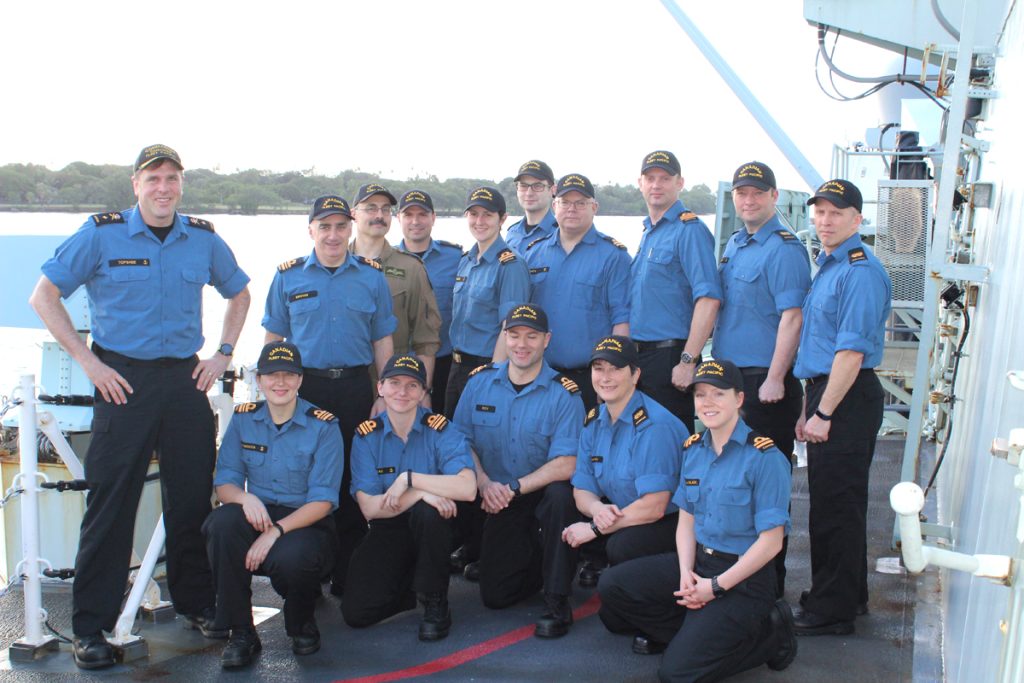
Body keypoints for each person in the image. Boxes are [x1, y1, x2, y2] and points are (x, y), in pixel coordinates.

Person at [29, 144, 251, 670]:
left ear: (181, 184)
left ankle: (196, 603)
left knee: (192, 499)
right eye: (153, 178)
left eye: (172, 178)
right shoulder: (101, 234)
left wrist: (222, 354)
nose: (163, 188)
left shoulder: (201, 238)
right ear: (136, 184)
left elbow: (238, 294)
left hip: (184, 379)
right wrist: (88, 364)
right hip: (119, 382)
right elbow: (44, 296)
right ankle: (90, 628)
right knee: (111, 504)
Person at [597, 360, 797, 682]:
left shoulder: (765, 458)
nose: (707, 402)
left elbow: (772, 542)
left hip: (744, 579)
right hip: (701, 564)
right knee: (613, 588)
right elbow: (686, 521)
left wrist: (715, 587)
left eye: (718, 394)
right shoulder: (693, 450)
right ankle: (694, 636)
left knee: (676, 673)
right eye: (701, 395)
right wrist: (685, 574)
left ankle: (769, 637)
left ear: (739, 399)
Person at [262, 194, 397, 595]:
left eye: (341, 226)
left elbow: (383, 341)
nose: (334, 235)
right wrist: (273, 395)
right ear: (311, 231)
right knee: (307, 479)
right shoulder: (288, 277)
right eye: (325, 226)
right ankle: (310, 566)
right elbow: (273, 341)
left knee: (354, 479)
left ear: (350, 228)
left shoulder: (372, 277)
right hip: (307, 391)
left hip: (355, 388)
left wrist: (384, 394)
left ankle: (347, 570)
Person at [203, 342, 342, 668]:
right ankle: (241, 632)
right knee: (221, 524)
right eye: (271, 376)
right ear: (260, 380)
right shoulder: (243, 419)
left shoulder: (324, 426)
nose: (280, 383)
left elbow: (323, 501)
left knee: (293, 556)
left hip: (305, 520)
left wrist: (275, 532)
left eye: (288, 375)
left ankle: (301, 623)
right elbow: (225, 484)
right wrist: (245, 497)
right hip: (259, 510)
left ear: (300, 380)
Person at [793, 179, 892, 635]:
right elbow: (819, 346)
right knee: (837, 504)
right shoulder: (829, 266)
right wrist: (808, 406)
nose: (825, 221)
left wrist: (825, 412)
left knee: (836, 507)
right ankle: (846, 597)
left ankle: (830, 613)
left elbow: (850, 352)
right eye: (820, 213)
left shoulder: (858, 270)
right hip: (828, 392)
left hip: (846, 397)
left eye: (836, 213)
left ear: (857, 218)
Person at [453, 303, 585, 638]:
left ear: (546, 340)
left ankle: (557, 598)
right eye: (514, 335)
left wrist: (512, 488)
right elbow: (460, 442)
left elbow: (567, 463)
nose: (522, 343)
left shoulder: (564, 394)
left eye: (531, 336)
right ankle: (540, 561)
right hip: (496, 496)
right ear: (504, 337)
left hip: (538, 492)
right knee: (496, 596)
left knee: (560, 497)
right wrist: (483, 483)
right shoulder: (478, 384)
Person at [712, 161, 811, 596]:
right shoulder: (736, 244)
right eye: (741, 193)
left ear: (774, 196)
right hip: (734, 382)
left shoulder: (785, 248)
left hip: (765, 386)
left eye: (757, 192)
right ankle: (736, 577)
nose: (748, 200)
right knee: (732, 484)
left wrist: (776, 378)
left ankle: (771, 588)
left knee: (766, 491)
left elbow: (793, 317)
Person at [342, 354, 476, 641]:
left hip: (433, 528)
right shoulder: (366, 437)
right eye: (394, 383)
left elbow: (468, 488)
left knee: (430, 514)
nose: (402, 392)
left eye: (413, 385)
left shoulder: (442, 429)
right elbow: (369, 509)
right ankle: (410, 588)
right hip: (389, 526)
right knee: (356, 613)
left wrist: (409, 480)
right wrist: (421, 492)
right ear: (380, 387)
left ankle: (435, 600)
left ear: (423, 393)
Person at [562, 336, 688, 589]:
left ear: (635, 374)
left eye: (616, 369)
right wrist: (598, 511)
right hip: (622, 512)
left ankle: (659, 603)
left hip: (674, 522)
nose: (605, 377)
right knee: (559, 501)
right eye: (599, 369)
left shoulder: (654, 426)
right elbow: (582, 488)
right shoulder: (594, 420)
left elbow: (655, 507)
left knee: (623, 545)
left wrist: (595, 529)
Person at [630, 150, 722, 433]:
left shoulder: (689, 230)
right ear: (640, 183)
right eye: (650, 178)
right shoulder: (649, 232)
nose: (656, 185)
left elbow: (708, 299)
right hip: (640, 359)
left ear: (679, 183)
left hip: (669, 358)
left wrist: (688, 360)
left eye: (665, 178)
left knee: (670, 444)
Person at [524, 173, 631, 411]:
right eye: (565, 202)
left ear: (594, 207)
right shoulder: (532, 254)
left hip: (591, 381)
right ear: (554, 206)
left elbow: (622, 320)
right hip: (541, 377)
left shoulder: (614, 256)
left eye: (581, 203)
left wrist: (612, 378)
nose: (572, 209)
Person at [446, 186, 530, 413]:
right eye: (474, 214)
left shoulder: (510, 265)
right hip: (456, 367)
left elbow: (510, 327)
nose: (479, 221)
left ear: (502, 218)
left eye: (488, 215)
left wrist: (494, 377)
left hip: (487, 367)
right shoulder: (466, 260)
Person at [350, 183, 442, 391]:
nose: (379, 215)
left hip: (395, 387)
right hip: (344, 383)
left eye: (385, 209)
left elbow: (425, 340)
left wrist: (423, 392)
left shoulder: (411, 268)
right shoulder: (335, 264)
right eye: (371, 208)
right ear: (353, 214)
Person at [396, 189, 463, 414]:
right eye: (408, 215)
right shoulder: (385, 261)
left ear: (433, 218)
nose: (415, 221)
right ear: (398, 219)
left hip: (445, 363)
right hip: (398, 366)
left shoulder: (456, 258)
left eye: (422, 214)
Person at [505, 160, 558, 254]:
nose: (529, 193)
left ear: (552, 190)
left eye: (537, 186)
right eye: (523, 186)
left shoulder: (562, 234)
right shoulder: (512, 233)